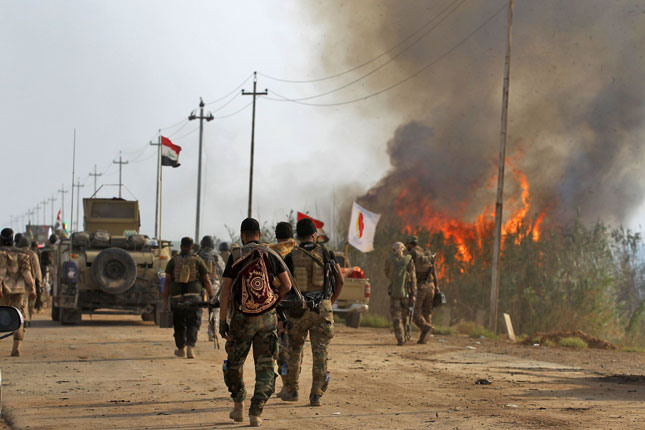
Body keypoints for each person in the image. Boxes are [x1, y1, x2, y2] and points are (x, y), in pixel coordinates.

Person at [218, 218, 292, 427]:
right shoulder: (271, 254)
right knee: (266, 365)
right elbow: (286, 284)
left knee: (234, 364)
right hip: (267, 319)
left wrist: (223, 321)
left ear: (242, 235)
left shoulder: (235, 256)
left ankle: (238, 406)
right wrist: (272, 301)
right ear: (259, 234)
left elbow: (225, 292)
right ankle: (256, 412)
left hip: (241, 319)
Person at [281, 218, 344, 407]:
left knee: (293, 351)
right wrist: (328, 303)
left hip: (297, 310)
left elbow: (284, 285)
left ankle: (292, 391)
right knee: (320, 353)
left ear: (297, 237)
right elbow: (339, 280)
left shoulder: (290, 256)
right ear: (315, 235)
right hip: (321, 311)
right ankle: (316, 394)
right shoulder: (326, 254)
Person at [163, 237, 214, 359]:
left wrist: (165, 301)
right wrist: (211, 296)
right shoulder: (198, 260)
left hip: (176, 297)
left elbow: (167, 282)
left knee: (179, 323)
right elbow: (206, 280)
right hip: (194, 296)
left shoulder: (173, 261)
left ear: (181, 246)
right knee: (193, 322)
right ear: (192, 247)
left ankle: (181, 349)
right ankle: (191, 347)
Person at [267, 221, 298, 397]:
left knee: (273, 348)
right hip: (296, 306)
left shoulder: (271, 252)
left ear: (276, 235)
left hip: (276, 305)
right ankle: (290, 386)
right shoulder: (298, 252)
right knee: (293, 350)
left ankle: (271, 384)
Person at [0, 228, 36, 356]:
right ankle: (16, 347)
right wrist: (32, 288)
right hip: (18, 291)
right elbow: (26, 273)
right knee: (18, 317)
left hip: (2, 291)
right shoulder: (22, 254)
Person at [406, 235, 439, 344]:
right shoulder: (427, 253)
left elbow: (408, 272)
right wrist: (437, 287)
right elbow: (434, 272)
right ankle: (425, 338)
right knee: (427, 312)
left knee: (415, 313)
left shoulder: (412, 255)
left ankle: (426, 327)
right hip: (431, 286)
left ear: (410, 244)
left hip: (420, 287)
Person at [385, 242, 417, 345]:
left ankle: (400, 338)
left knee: (396, 316)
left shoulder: (389, 260)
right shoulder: (408, 259)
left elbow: (386, 273)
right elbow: (413, 278)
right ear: (403, 249)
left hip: (394, 293)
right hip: (406, 293)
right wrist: (413, 293)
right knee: (405, 316)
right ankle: (406, 335)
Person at [198, 235, 224, 343]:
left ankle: (193, 332)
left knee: (197, 310)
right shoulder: (217, 257)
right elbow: (223, 271)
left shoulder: (198, 256)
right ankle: (212, 333)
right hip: (214, 286)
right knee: (215, 311)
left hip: (199, 286)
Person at [17, 236, 42, 327]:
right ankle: (29, 319)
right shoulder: (33, 254)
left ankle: (24, 319)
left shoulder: (18, 253)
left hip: (20, 282)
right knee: (31, 302)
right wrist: (39, 282)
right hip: (32, 281)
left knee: (23, 301)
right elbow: (37, 270)